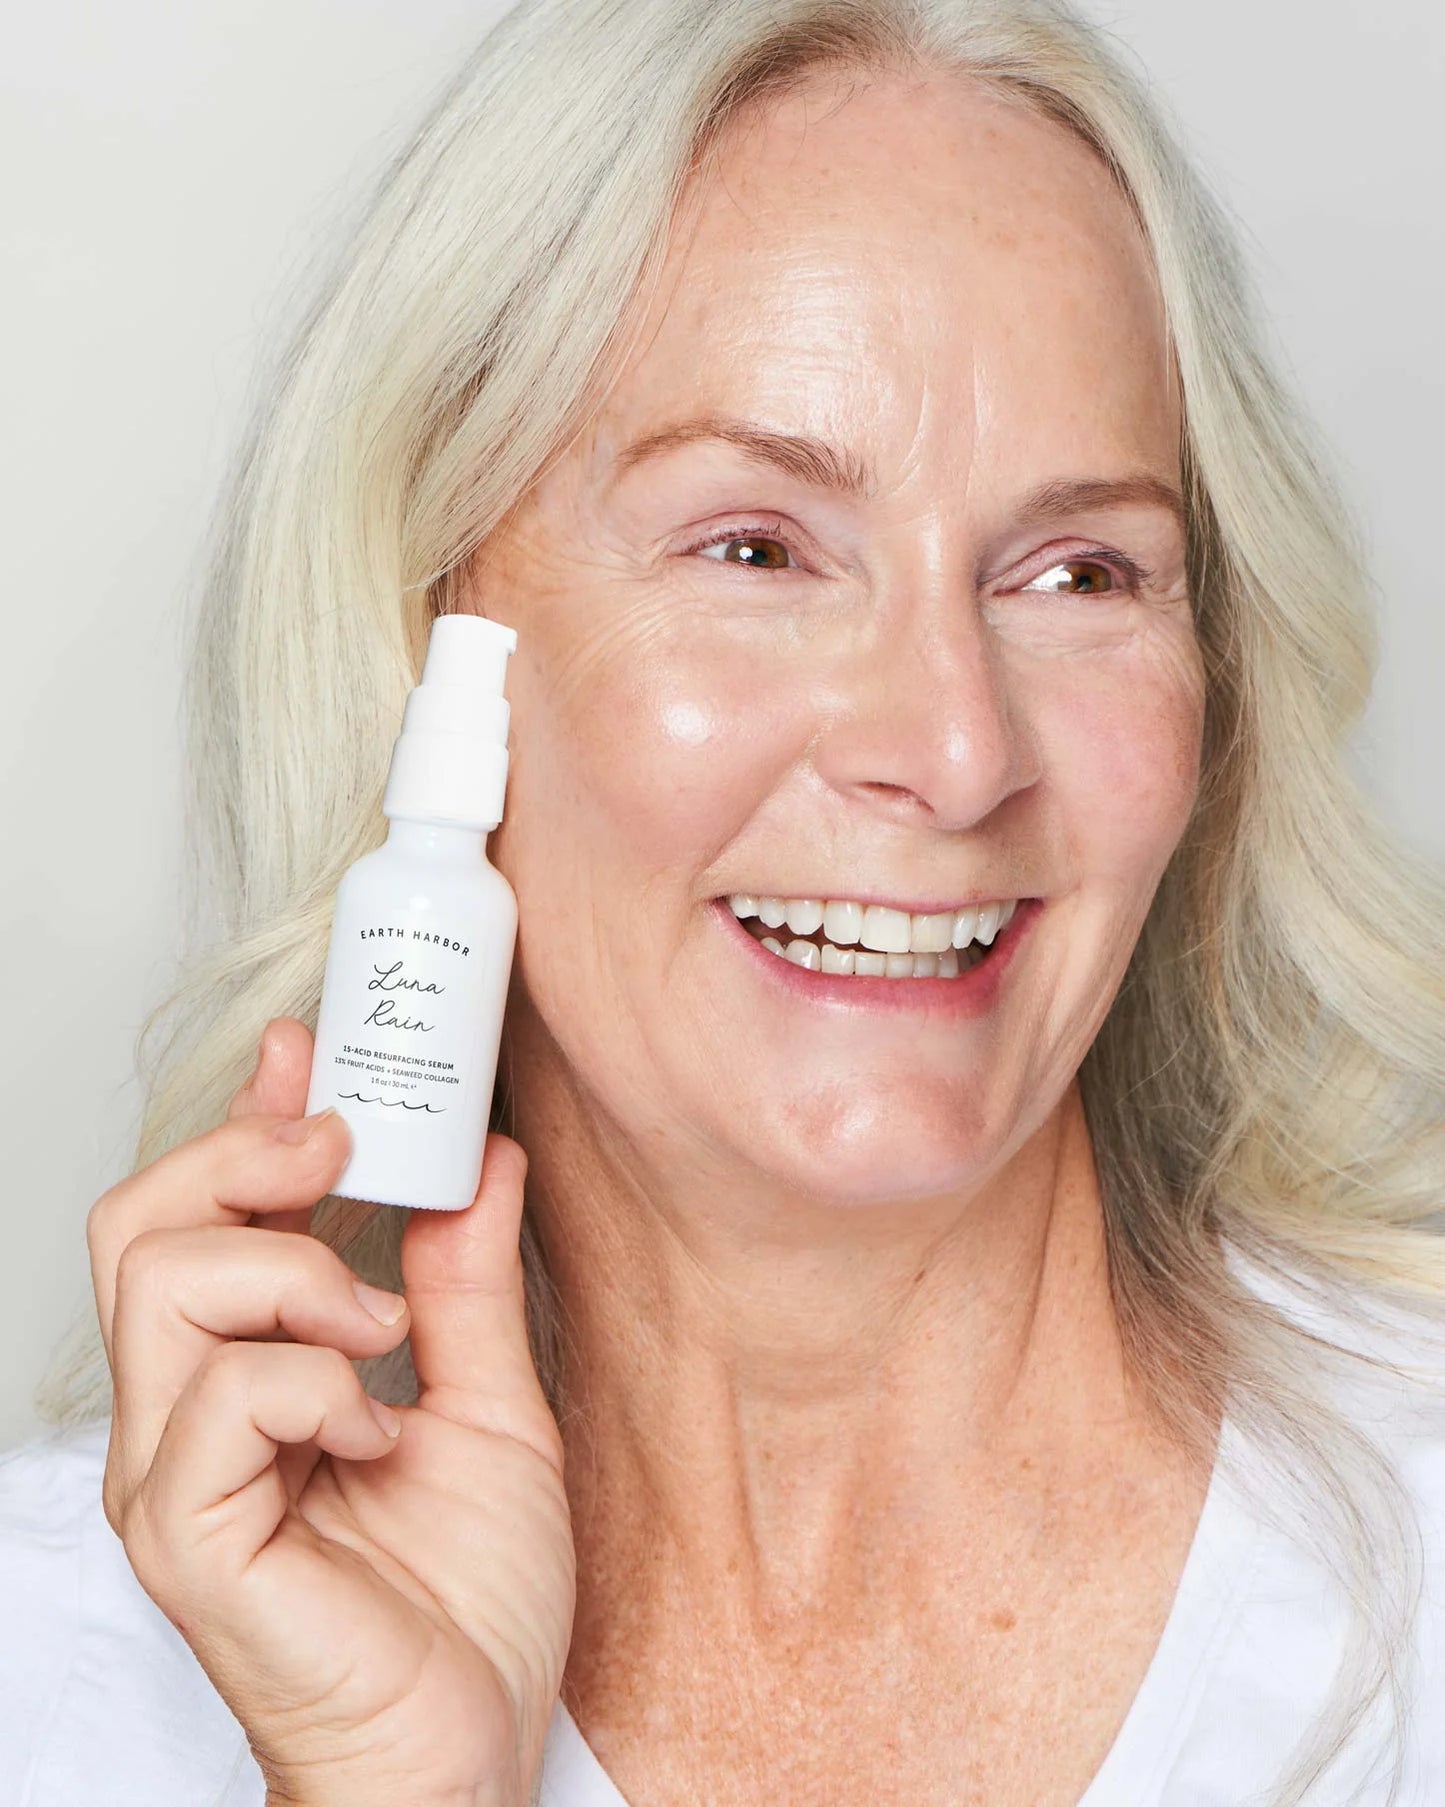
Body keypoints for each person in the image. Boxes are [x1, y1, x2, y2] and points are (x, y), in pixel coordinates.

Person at [3, 0, 1443, 1803]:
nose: (950, 744)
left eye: (1079, 570)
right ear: (432, 646)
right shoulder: (66, 1670)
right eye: (753, 547)